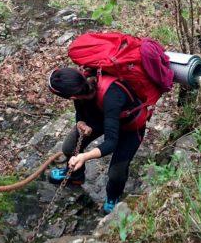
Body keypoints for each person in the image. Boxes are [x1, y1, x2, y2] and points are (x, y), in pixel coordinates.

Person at [46, 67, 145, 213]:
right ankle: (75, 176)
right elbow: (80, 112)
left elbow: (111, 143)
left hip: (129, 127)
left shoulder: (112, 95)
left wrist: (84, 157)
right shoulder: (80, 87)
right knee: (69, 147)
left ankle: (113, 196)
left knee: (116, 172)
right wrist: (81, 123)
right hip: (101, 117)